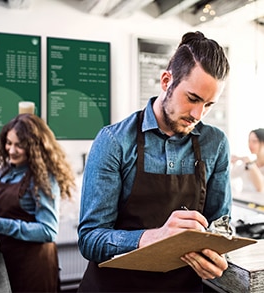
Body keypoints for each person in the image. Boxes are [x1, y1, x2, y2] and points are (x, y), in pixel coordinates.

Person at [77, 31, 232, 292]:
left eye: (208, 105)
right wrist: (154, 237)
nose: (198, 114)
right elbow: (90, 239)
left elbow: (220, 226)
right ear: (166, 80)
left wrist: (218, 255)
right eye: (192, 98)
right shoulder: (114, 142)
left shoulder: (215, 143)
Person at [0, 113, 75, 293]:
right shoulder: (4, 173)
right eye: (9, 143)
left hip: (35, 265)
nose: (11, 150)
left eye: (19, 145)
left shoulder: (43, 179)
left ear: (34, 147)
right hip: (8, 260)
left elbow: (48, 231)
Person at [231, 128, 264, 193]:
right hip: (245, 201)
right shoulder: (247, 164)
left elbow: (260, 188)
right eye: (249, 141)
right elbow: (230, 176)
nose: (250, 145)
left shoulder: (249, 164)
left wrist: (250, 163)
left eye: (254, 141)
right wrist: (233, 162)